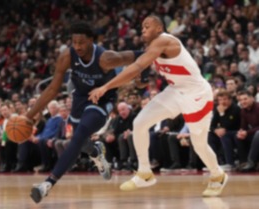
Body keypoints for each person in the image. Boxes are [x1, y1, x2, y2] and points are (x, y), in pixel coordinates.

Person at [89, 15, 228, 197]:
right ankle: (145, 173)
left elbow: (137, 66)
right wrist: (139, 81)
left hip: (197, 94)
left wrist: (106, 86)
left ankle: (218, 175)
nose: (143, 29)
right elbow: (139, 77)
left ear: (159, 27)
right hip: (175, 91)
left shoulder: (164, 41)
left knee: (199, 143)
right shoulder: (152, 49)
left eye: (147, 26)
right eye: (142, 27)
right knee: (139, 123)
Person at [25, 21, 148, 203]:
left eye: (81, 42)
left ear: (91, 40)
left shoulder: (106, 58)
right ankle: (96, 151)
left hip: (102, 99)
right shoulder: (67, 56)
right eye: (74, 42)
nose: (78, 46)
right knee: (80, 141)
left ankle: (47, 184)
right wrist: (29, 116)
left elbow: (141, 55)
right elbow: (52, 88)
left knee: (80, 134)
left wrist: (142, 77)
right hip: (80, 98)